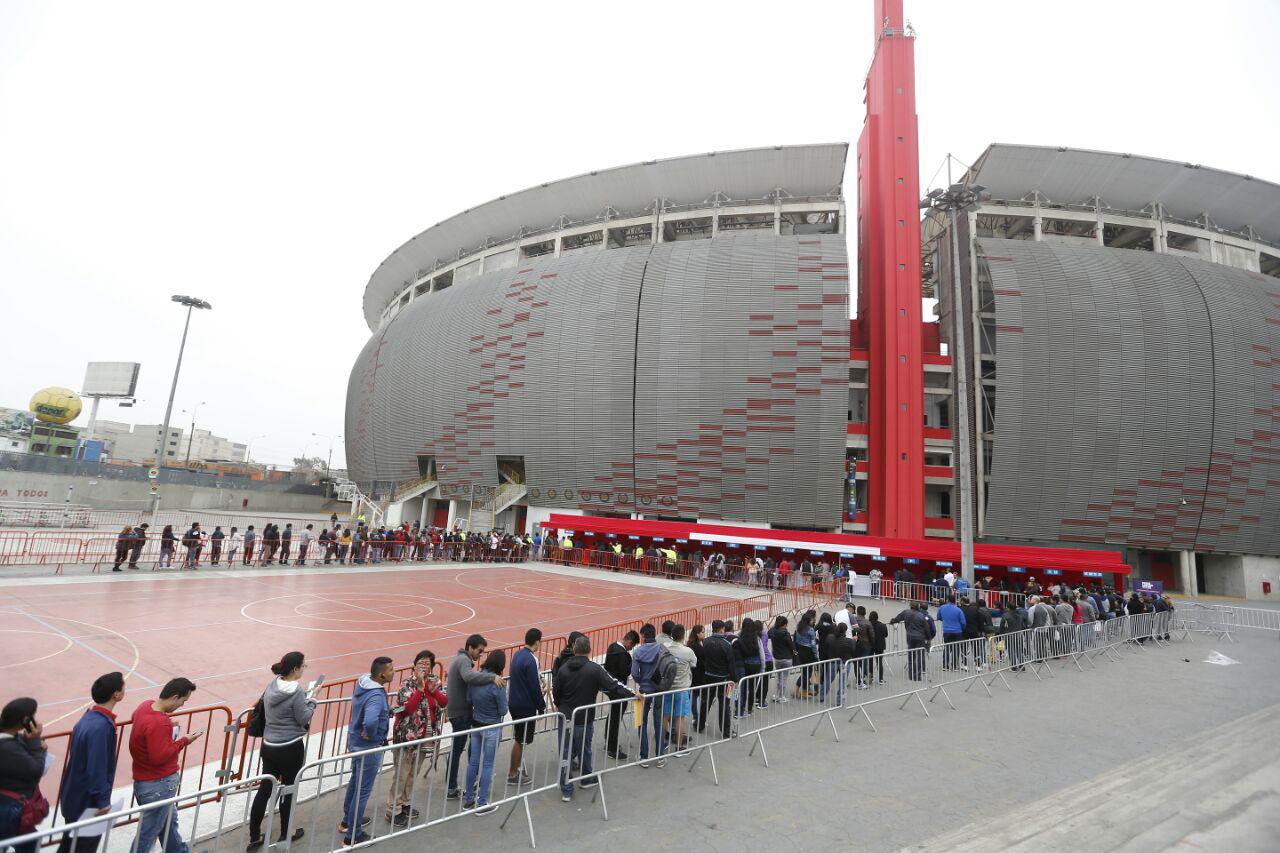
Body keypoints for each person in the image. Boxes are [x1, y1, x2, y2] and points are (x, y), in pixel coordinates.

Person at [551, 636, 633, 802]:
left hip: (565, 716)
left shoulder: (564, 669)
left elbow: (556, 692)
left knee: (565, 752)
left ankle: (566, 788)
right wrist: (633, 694)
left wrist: (561, 707)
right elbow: (614, 685)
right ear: (589, 651)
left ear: (574, 649)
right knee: (585, 748)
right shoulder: (594, 669)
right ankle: (586, 778)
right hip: (584, 717)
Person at [247, 652, 314, 850]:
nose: (305, 668)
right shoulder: (297, 691)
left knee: (265, 789)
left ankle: (254, 836)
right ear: (295, 669)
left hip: (269, 746)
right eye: (303, 666)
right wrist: (313, 700)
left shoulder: (273, 685)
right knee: (288, 789)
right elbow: (303, 718)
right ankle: (286, 833)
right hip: (290, 747)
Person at [129, 677, 203, 853]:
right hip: (159, 785)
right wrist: (184, 740)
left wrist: (166, 728)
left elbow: (141, 725)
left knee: (168, 824)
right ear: (174, 697)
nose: (182, 706)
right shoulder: (160, 722)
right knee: (147, 835)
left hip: (143, 780)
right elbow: (159, 757)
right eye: (183, 701)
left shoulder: (145, 706)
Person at [56, 672, 123, 853]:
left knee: (68, 845)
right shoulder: (101, 727)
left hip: (73, 796)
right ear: (116, 694)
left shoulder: (87, 718)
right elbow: (96, 767)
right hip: (87, 802)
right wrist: (103, 802)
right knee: (84, 846)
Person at [385, 650, 445, 826]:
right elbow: (408, 709)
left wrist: (433, 690)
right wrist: (420, 689)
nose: (424, 666)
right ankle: (392, 809)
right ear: (414, 665)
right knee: (402, 774)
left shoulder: (435, 682)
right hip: (407, 736)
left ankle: (404, 803)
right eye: (421, 662)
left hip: (426, 736)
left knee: (413, 773)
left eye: (428, 663)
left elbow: (443, 703)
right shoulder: (407, 684)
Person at [340, 657, 393, 846]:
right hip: (368, 747)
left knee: (355, 782)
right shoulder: (376, 696)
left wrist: (384, 713)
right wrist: (373, 735)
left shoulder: (363, 684)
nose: (393, 672)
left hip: (355, 743)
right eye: (391, 670)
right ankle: (353, 836)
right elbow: (370, 721)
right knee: (363, 791)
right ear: (381, 675)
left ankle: (347, 821)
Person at [445, 635, 504, 800]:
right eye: (479, 650)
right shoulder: (464, 661)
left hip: (459, 711)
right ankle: (453, 787)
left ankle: (461, 784)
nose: (480, 654)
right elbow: (469, 677)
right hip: (460, 713)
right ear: (470, 647)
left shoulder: (461, 659)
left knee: (463, 750)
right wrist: (492, 677)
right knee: (459, 750)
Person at [0, 697, 48, 853]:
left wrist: (31, 741)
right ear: (26, 720)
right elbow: (35, 770)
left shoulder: (10, 738)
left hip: (9, 804)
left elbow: (19, 744)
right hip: (8, 807)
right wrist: (35, 743)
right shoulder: (7, 748)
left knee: (30, 841)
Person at [463, 650, 508, 815]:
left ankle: (469, 799)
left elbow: (469, 699)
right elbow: (503, 710)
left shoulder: (476, 679)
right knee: (488, 764)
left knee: (473, 763)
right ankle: (482, 802)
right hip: (492, 726)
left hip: (476, 725)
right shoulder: (498, 684)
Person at [631, 624, 676, 767]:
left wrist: (641, 681)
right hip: (659, 690)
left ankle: (644, 757)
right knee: (658, 722)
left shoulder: (638, 652)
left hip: (644, 691)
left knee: (642, 723)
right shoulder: (662, 649)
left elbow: (634, 673)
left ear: (643, 636)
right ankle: (660, 756)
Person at [506, 630, 545, 786]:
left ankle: (515, 769)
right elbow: (535, 688)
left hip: (515, 702)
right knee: (520, 740)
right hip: (525, 705)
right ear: (537, 642)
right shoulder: (531, 659)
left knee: (519, 738)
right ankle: (513, 774)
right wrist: (541, 706)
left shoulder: (518, 655)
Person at [603, 631, 638, 759]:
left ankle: (608, 741)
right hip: (619, 689)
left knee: (613, 715)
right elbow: (624, 672)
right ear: (629, 642)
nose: (631, 648)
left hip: (610, 687)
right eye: (632, 646)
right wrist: (631, 664)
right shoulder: (623, 654)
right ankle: (612, 748)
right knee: (616, 718)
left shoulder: (612, 647)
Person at [697, 621, 733, 738]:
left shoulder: (706, 641)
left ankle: (700, 725)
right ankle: (726, 732)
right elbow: (731, 664)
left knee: (705, 701)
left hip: (708, 676)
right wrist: (735, 679)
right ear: (722, 629)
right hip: (723, 678)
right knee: (724, 704)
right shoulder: (727, 644)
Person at [665, 624, 697, 753]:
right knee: (680, 717)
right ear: (683, 636)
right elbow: (694, 663)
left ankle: (662, 742)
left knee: (665, 715)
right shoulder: (687, 651)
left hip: (667, 687)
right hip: (682, 688)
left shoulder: (665, 648)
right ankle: (679, 746)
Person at [890, 604, 931, 681]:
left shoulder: (906, 612)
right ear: (918, 608)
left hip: (910, 636)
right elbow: (927, 628)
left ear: (911, 606)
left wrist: (892, 621)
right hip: (920, 637)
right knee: (919, 656)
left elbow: (897, 618)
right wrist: (928, 638)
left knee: (911, 656)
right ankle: (917, 676)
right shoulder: (921, 616)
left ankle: (911, 675)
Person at [767, 616, 795, 701]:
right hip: (787, 658)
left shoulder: (772, 631)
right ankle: (781, 696)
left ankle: (777, 694)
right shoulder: (785, 634)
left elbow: (768, 635)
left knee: (778, 677)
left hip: (777, 658)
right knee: (784, 678)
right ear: (784, 624)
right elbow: (791, 645)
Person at [937, 595, 967, 670]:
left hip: (947, 631)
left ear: (947, 600)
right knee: (956, 648)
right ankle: (954, 665)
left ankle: (945, 665)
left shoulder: (942, 607)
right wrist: (962, 629)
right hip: (957, 631)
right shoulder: (958, 610)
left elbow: (939, 617)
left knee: (947, 648)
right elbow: (963, 622)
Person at [869, 611, 888, 684]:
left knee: (870, 661)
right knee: (879, 662)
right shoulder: (883, 625)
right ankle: (880, 679)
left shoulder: (868, 624)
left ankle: (871, 678)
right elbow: (886, 635)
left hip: (871, 645)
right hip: (880, 646)